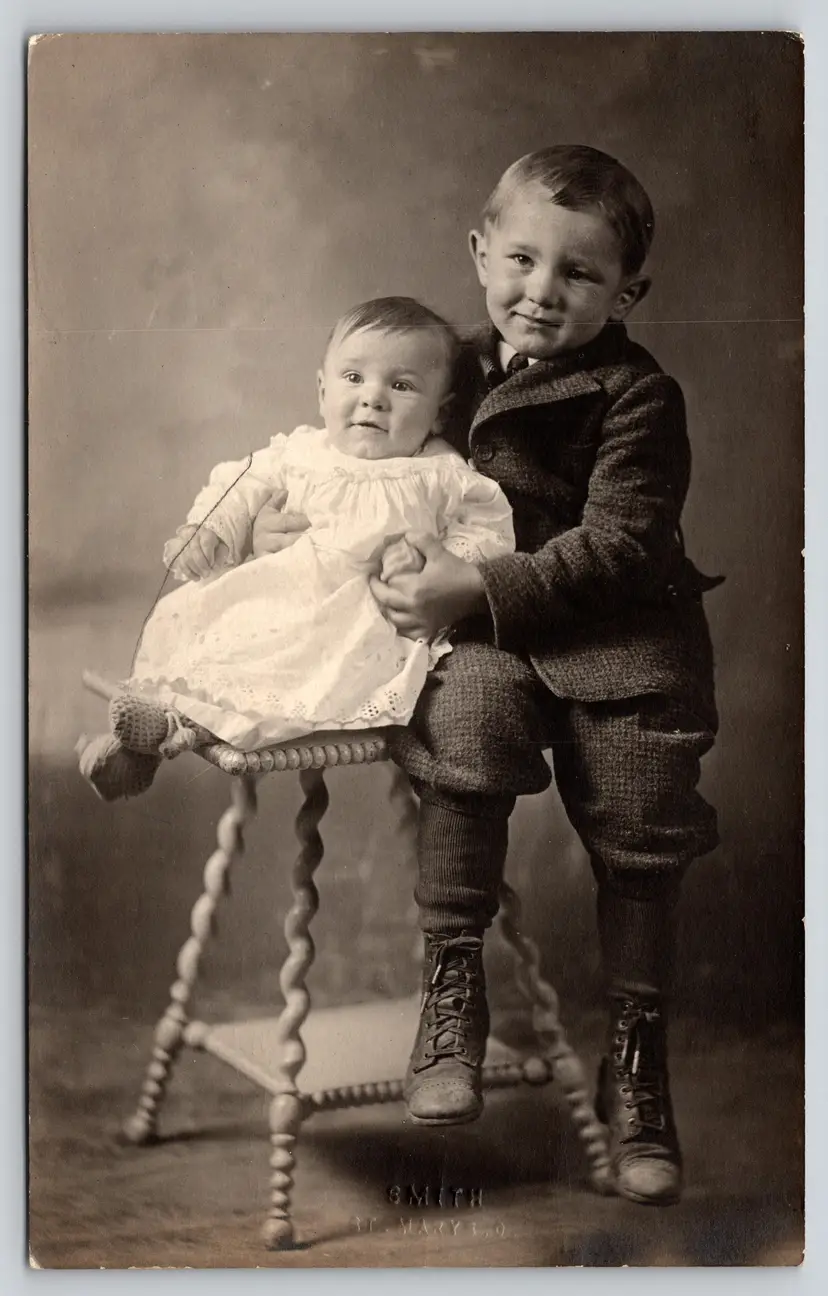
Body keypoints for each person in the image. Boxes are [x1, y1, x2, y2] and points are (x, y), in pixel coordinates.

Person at [362, 147, 722, 1206]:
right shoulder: (446, 368)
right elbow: (368, 460)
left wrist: (468, 587)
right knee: (465, 728)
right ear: (480, 254)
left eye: (579, 275)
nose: (541, 291)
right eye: (521, 259)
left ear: (627, 294)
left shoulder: (640, 396)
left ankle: (638, 1062)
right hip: (492, 639)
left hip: (620, 634)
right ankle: (453, 991)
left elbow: (616, 548)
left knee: (645, 811)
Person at [81, 297, 513, 798]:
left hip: (356, 623)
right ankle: (145, 741)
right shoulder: (302, 450)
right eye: (354, 378)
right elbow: (241, 484)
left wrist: (438, 566)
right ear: (322, 391)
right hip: (277, 598)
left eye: (401, 385)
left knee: (288, 674)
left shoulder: (441, 475)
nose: (373, 398)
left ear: (440, 414)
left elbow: (489, 530)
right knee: (213, 641)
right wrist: (209, 529)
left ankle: (172, 732)